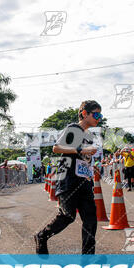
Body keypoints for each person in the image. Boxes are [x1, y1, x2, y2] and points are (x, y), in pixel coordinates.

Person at [34, 100, 101, 254]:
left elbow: (80, 157)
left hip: (84, 181)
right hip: (68, 180)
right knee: (67, 216)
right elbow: (57, 148)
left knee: (91, 219)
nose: (99, 118)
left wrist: (90, 166)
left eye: (100, 115)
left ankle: (88, 259)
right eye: (96, 114)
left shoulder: (89, 135)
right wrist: (82, 151)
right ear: (84, 114)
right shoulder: (74, 128)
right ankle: (42, 236)